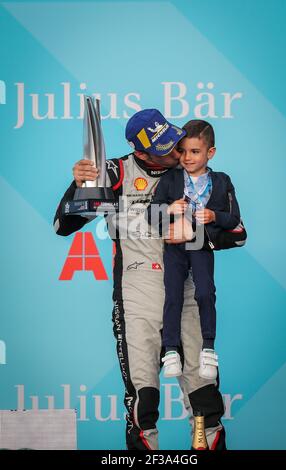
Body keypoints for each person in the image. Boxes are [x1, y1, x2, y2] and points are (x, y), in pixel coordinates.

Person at [53, 109, 226, 450]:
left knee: (206, 403)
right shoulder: (116, 172)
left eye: (174, 140)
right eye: (165, 148)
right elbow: (63, 226)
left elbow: (232, 230)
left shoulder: (191, 170)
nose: (177, 151)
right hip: (137, 294)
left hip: (186, 293)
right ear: (141, 152)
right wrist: (82, 183)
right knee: (142, 404)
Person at [147, 119, 241, 381]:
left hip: (200, 244)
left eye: (195, 152)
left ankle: (208, 348)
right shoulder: (170, 179)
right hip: (174, 246)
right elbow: (150, 215)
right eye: (183, 151)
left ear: (210, 153)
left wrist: (214, 216)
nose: (187, 158)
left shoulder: (222, 181)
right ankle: (171, 350)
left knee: (205, 292)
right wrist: (168, 209)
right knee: (173, 295)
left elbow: (233, 219)